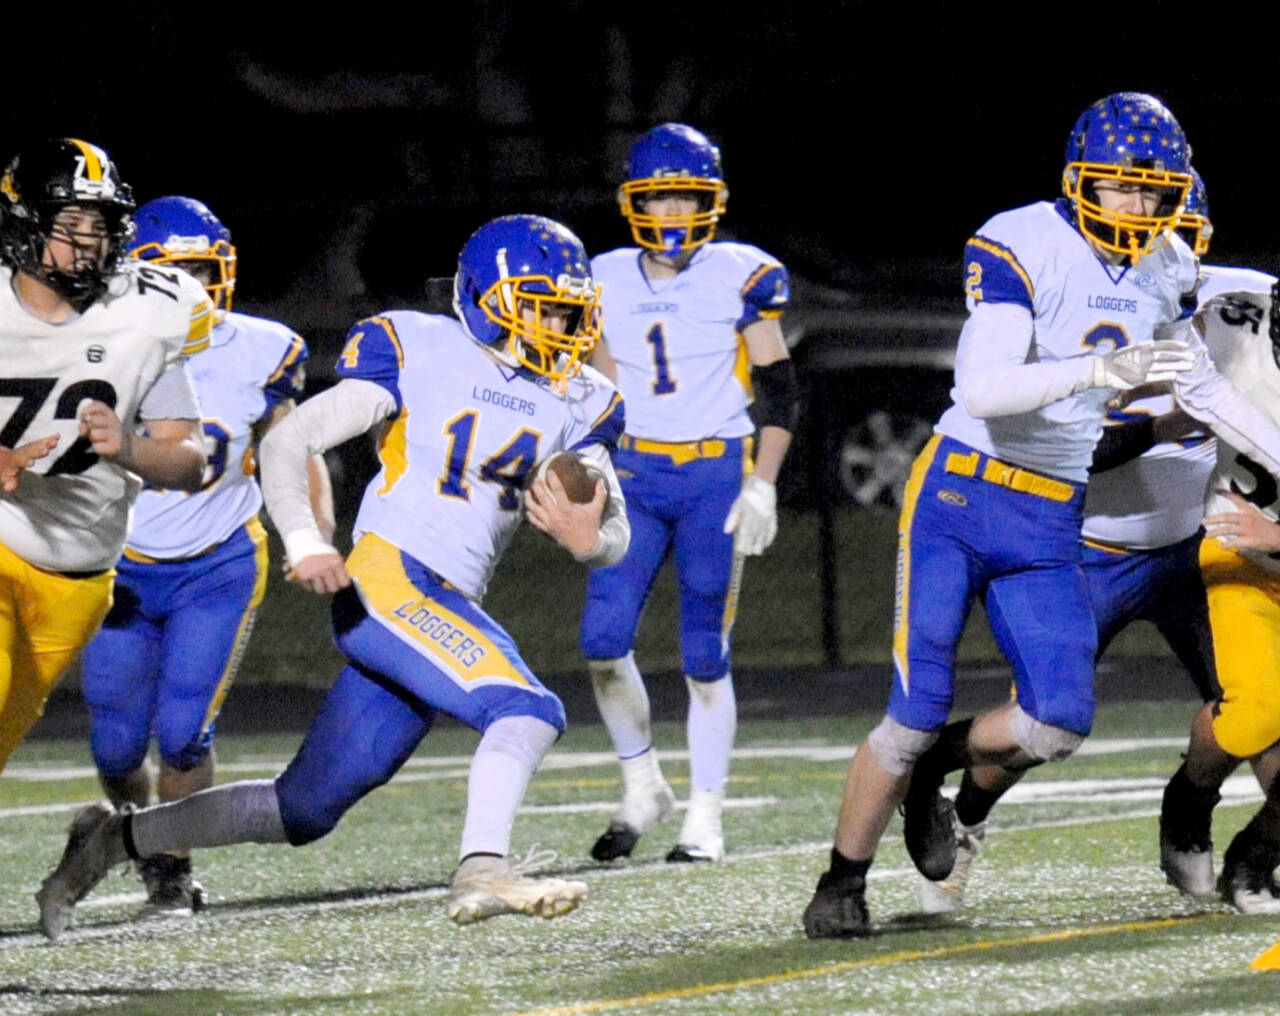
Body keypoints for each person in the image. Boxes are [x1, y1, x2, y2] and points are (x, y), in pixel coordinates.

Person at [35, 213, 629, 940]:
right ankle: (484, 867)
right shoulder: (420, 344)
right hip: (390, 579)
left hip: (441, 600)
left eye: (569, 306)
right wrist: (307, 537)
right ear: (486, 295)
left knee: (300, 811)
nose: (559, 320)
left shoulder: (586, 398)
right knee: (527, 710)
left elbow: (610, 529)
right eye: (540, 301)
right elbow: (292, 438)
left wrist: (589, 542)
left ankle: (112, 840)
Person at [802, 92, 1280, 939]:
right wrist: (1099, 373)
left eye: (1154, 190)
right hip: (962, 490)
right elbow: (981, 387)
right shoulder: (1021, 237)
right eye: (1120, 187)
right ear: (1077, 179)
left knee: (1056, 722)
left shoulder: (1171, 263)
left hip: (1051, 513)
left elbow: (1202, 388)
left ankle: (930, 776)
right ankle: (843, 880)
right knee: (913, 711)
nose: (1138, 206)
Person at [77, 195, 334, 912]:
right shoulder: (93, 342)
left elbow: (293, 447)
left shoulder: (264, 348)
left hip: (216, 563)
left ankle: (170, 866)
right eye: (176, 272)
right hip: (116, 569)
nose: (192, 288)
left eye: (202, 270)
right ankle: (132, 830)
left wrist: (311, 536)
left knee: (185, 734)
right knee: (116, 747)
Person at [579, 123, 798, 864]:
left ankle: (705, 812)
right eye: (659, 200)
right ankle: (642, 783)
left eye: (685, 199)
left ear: (710, 201)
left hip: (714, 474)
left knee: (705, 652)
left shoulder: (740, 272)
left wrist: (763, 483)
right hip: (636, 475)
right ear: (634, 202)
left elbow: (778, 387)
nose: (672, 215)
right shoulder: (601, 276)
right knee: (603, 642)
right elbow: (601, 389)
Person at [0, 139, 209, 775]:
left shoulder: (151, 309)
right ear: (23, 223)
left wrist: (134, 447)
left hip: (81, 574)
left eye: (101, 226)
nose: (88, 242)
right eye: (70, 224)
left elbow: (189, 460)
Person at [1154, 281, 1280, 913]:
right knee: (1256, 711)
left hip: (1270, 538)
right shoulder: (1236, 316)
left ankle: (1253, 860)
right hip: (1244, 558)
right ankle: (1190, 799)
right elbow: (1166, 270)